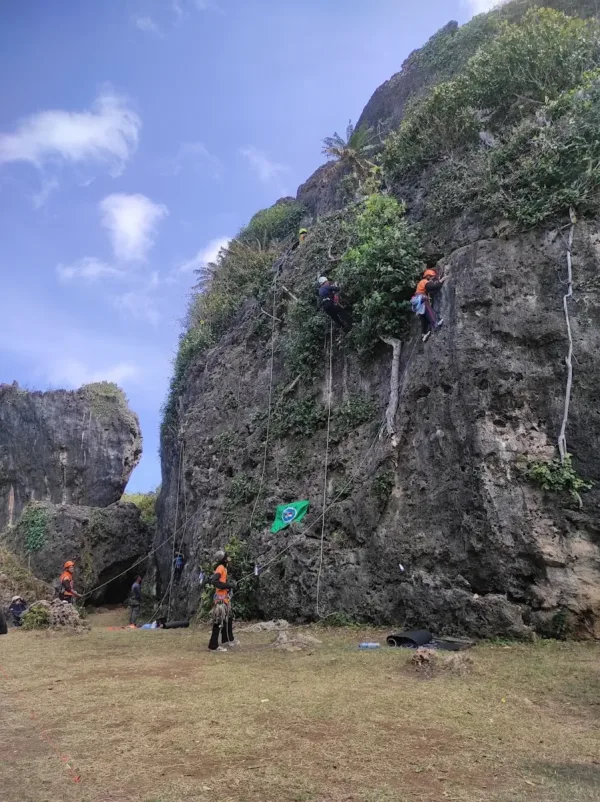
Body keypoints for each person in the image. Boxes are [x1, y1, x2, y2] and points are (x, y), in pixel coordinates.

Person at [207, 550, 238, 652]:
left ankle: (227, 639)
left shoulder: (224, 568)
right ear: (223, 559)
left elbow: (221, 582)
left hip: (224, 598)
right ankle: (213, 646)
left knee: (228, 619)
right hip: (220, 600)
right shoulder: (220, 568)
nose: (228, 558)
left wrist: (228, 587)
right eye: (226, 557)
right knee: (218, 622)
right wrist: (228, 585)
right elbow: (214, 581)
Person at [412, 267, 446, 343]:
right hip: (422, 299)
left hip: (417, 300)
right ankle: (435, 325)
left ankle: (423, 333)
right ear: (428, 276)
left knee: (423, 317)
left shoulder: (422, 283)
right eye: (432, 277)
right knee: (429, 311)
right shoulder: (424, 281)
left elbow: (432, 290)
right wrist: (441, 281)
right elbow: (432, 286)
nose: (432, 279)